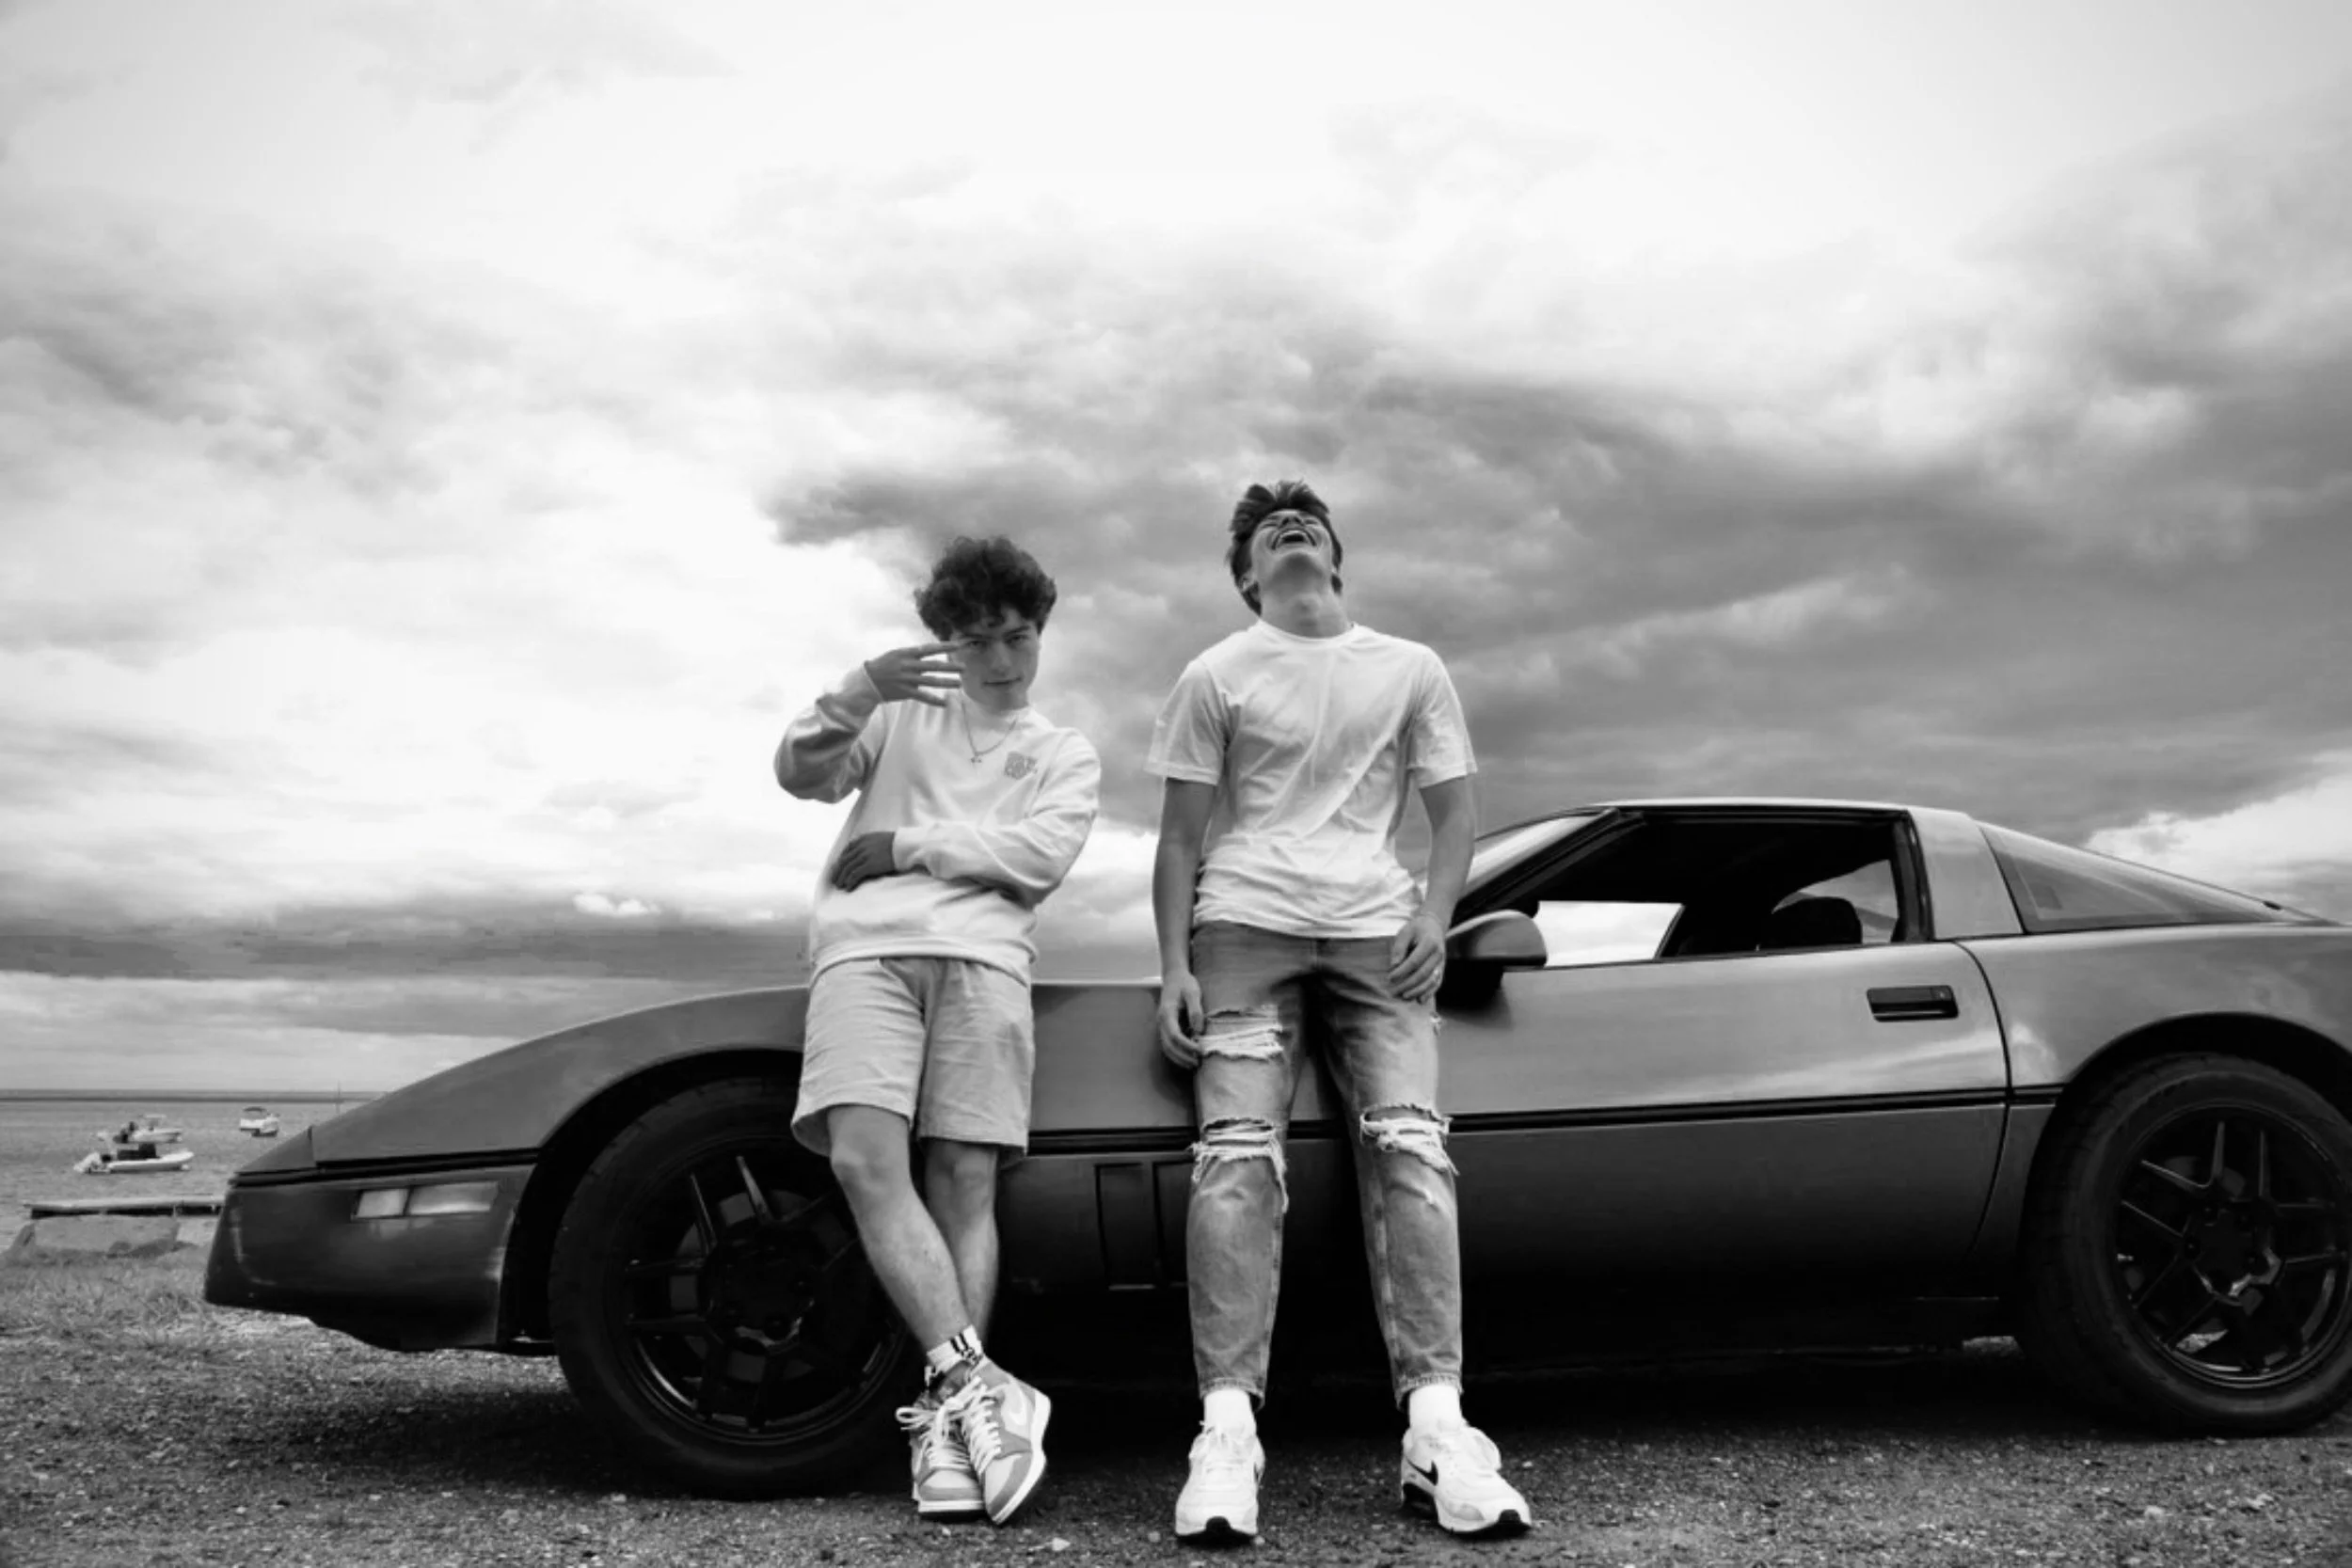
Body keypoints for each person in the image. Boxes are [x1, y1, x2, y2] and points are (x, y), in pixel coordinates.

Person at [1147, 480, 1533, 1542]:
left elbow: (1454, 810)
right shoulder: (1213, 673)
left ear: (1335, 560)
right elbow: (1178, 836)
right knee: (1233, 1151)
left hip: (1377, 933)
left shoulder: (1409, 667)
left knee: (1409, 1144)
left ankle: (1439, 1430)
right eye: (1266, 528)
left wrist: (1439, 917)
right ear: (1244, 576)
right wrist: (1170, 962)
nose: (1289, 526)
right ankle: (1226, 1431)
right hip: (1241, 931)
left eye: (1306, 519)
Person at [774, 534, 1101, 1528]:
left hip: (987, 964)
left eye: (1015, 635)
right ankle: (977, 1388)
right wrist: (856, 690)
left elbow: (1038, 856)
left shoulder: (1062, 749)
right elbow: (799, 773)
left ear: (1038, 631)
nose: (998, 658)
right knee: (866, 1161)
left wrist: (909, 842)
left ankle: (946, 1431)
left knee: (964, 1177)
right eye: (974, 639)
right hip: (864, 953)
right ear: (942, 641)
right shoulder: (899, 712)